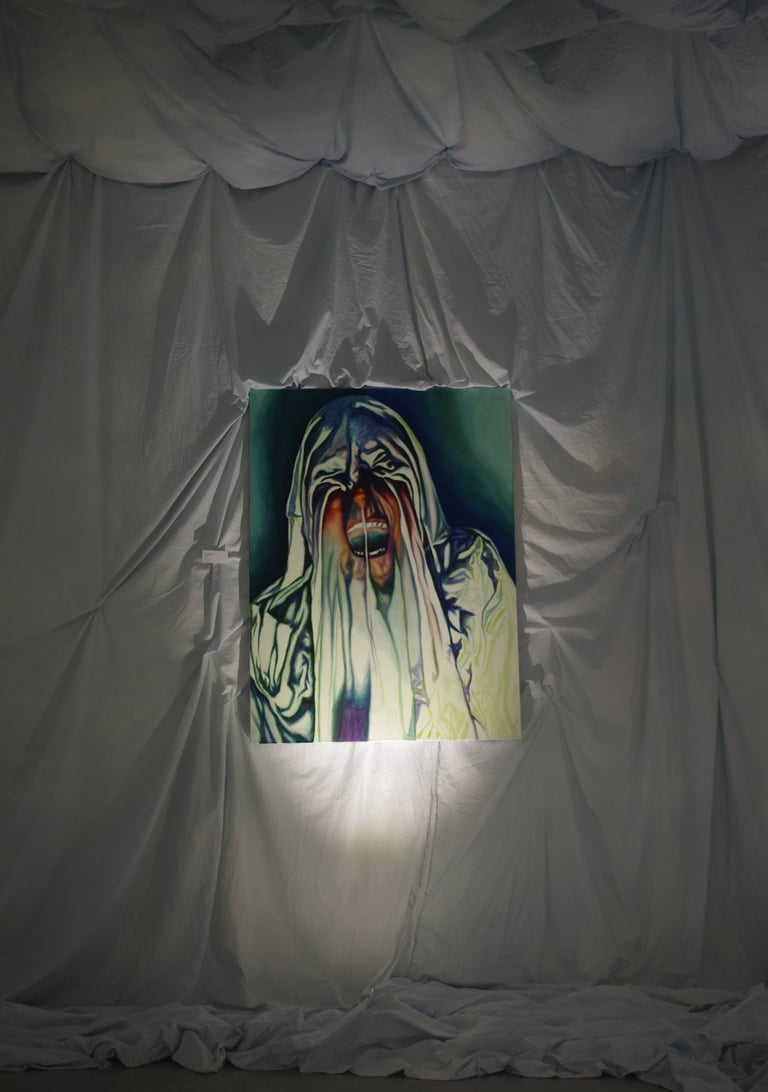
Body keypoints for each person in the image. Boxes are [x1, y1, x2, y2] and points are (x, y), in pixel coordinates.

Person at [250, 396, 520, 742]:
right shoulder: (273, 639)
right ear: (308, 513)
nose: (362, 495)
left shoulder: (472, 578)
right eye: (333, 478)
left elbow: (505, 725)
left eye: (385, 468)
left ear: (417, 489)